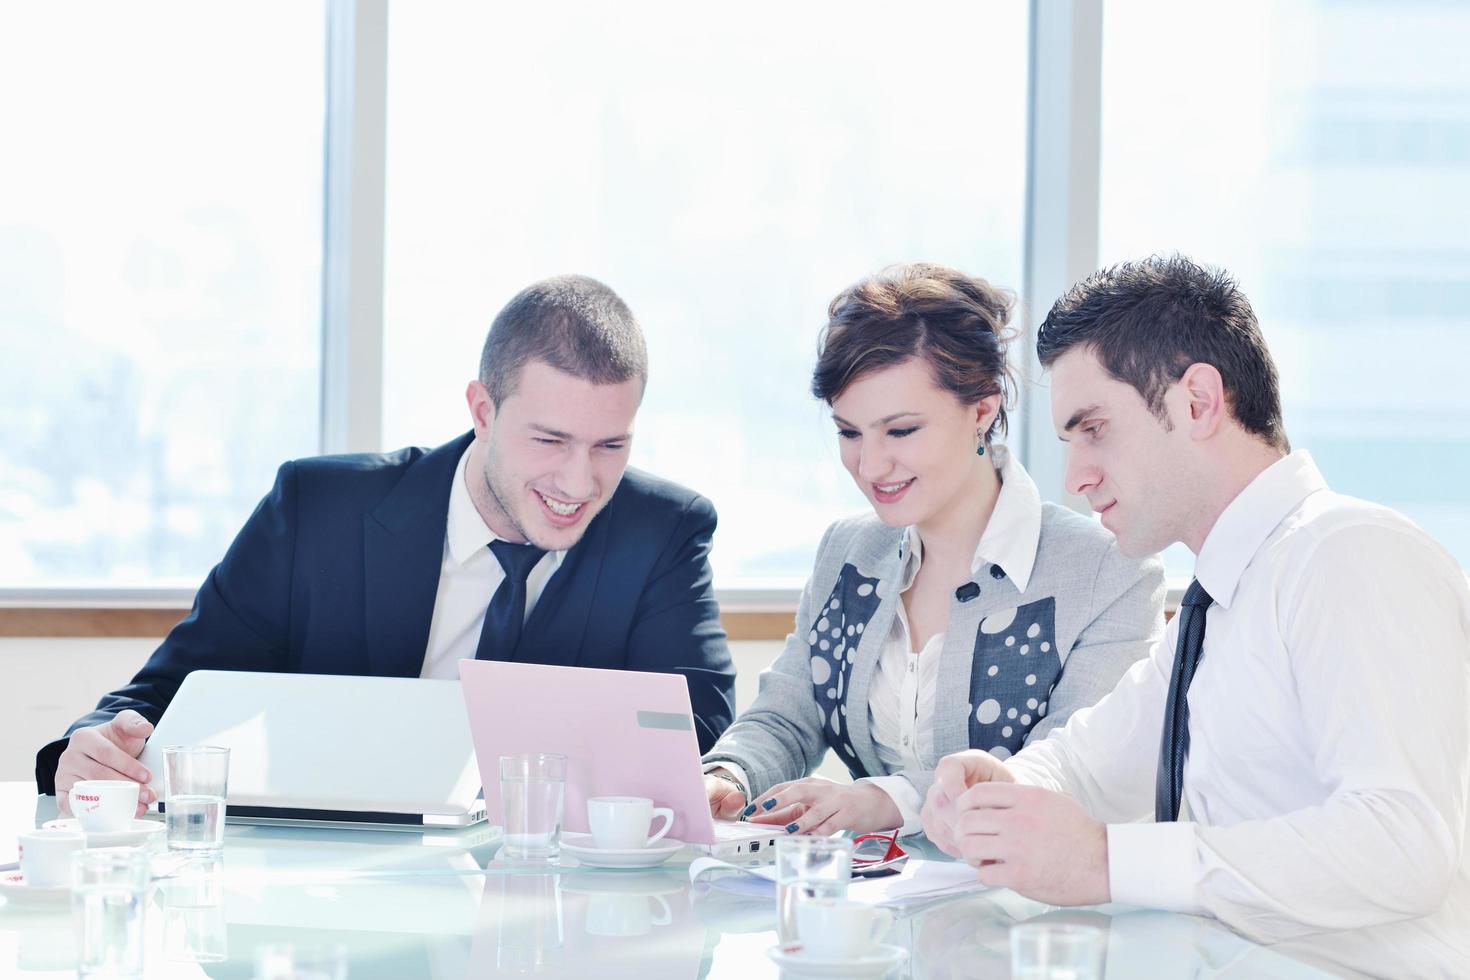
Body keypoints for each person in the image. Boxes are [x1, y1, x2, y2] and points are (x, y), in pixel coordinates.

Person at [921, 255, 1470, 972]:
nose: (1075, 477)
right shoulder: (1214, 607)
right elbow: (1089, 763)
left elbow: (1403, 845)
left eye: (1094, 429)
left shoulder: (1346, 556)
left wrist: (1107, 861)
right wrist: (1003, 790)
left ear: (1199, 402)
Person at [39, 275, 737, 812]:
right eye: (550, 440)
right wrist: (90, 747)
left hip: (547, 906)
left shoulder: (662, 530)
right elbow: (171, 690)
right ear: (482, 411)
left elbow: (696, 731)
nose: (580, 481)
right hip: (326, 898)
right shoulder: (318, 512)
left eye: (610, 444)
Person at [701, 263, 1165, 837]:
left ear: (982, 410)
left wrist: (887, 801)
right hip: (871, 912)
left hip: (1032, 914)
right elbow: (788, 715)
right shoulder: (849, 551)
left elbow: (1070, 772)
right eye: (849, 433)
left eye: (900, 432)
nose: (870, 466)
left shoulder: (1108, 572)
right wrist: (730, 774)